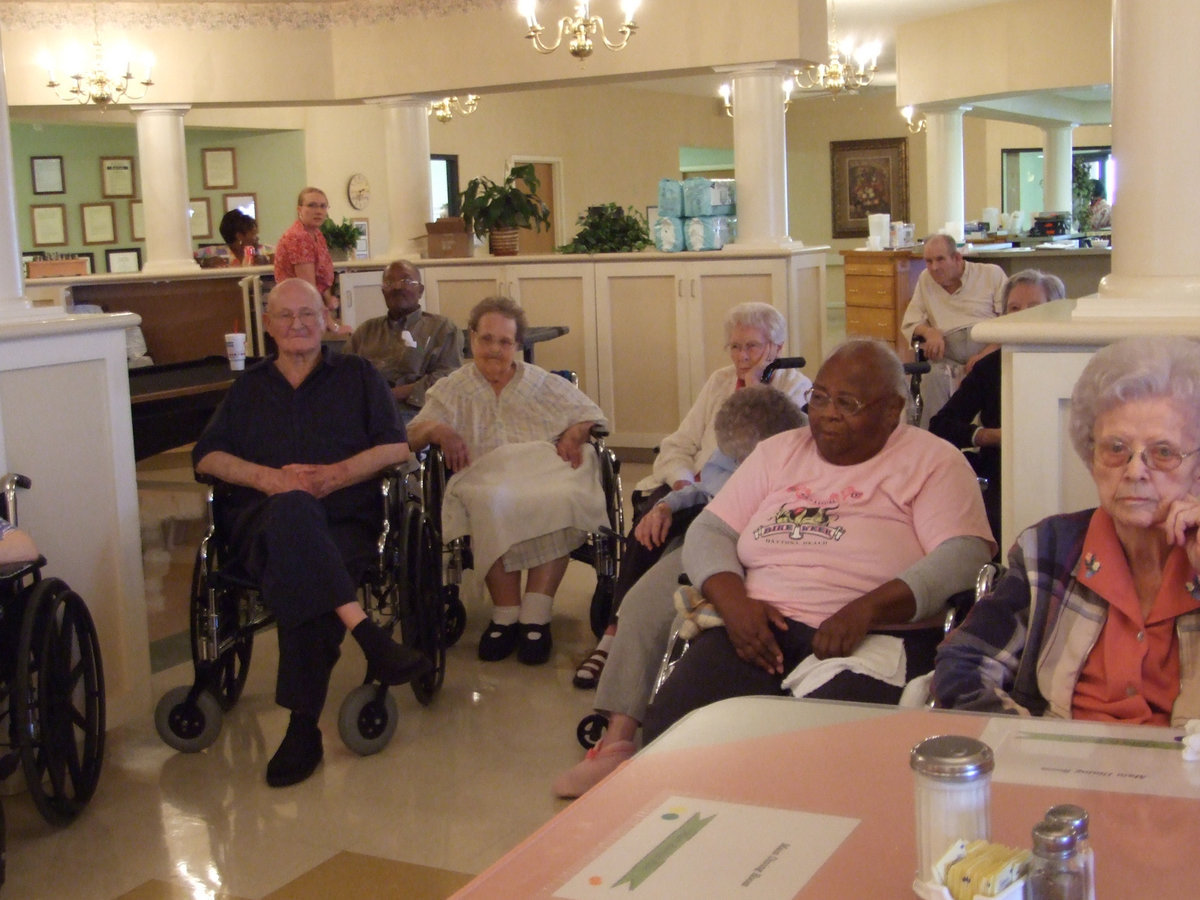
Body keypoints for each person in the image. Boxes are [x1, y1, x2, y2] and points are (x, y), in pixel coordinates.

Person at [640, 339, 996, 744]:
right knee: (673, 732)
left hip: (875, 636)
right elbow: (711, 530)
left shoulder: (933, 460)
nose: (827, 414)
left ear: (893, 411)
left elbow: (964, 553)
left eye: (847, 404)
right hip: (757, 626)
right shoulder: (779, 452)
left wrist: (866, 610)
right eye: (820, 398)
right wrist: (734, 603)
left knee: (817, 748)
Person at [192, 278, 431, 788]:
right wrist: (272, 481)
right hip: (262, 526)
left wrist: (334, 475)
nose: (298, 324)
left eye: (308, 314)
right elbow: (207, 456)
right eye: (285, 316)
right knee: (295, 516)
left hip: (345, 521)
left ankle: (304, 730)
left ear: (327, 320)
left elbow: (397, 448)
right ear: (267, 325)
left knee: (307, 567)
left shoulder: (358, 375)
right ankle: (364, 633)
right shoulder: (250, 387)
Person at [553, 385, 806, 798]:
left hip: (769, 553)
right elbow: (703, 488)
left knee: (684, 621)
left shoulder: (798, 453)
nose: (737, 464)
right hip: (710, 539)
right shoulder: (731, 445)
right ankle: (617, 739)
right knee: (639, 607)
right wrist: (667, 505)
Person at [932, 336, 1200, 725]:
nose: (1135, 470)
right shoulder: (1050, 548)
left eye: (1163, 452)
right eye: (1116, 448)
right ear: (1091, 455)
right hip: (1063, 770)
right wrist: (1028, 752)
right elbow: (964, 661)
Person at [573, 301, 812, 689]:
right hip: (697, 486)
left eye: (752, 346)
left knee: (679, 523)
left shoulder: (796, 390)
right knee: (651, 518)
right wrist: (682, 483)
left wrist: (756, 393)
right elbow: (679, 443)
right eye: (735, 347)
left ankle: (638, 633)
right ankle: (615, 633)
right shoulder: (718, 382)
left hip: (740, 497)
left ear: (777, 347)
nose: (742, 356)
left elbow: (780, 457)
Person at [407, 296, 608, 666]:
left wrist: (576, 432)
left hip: (541, 469)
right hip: (484, 474)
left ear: (517, 345)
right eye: (486, 339)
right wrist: (438, 429)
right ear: (472, 338)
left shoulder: (542, 383)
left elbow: (592, 415)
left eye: (504, 342)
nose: (494, 349)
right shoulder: (453, 387)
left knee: (561, 496)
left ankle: (536, 614)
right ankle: (505, 613)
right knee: (492, 501)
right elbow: (412, 434)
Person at [929, 269, 1066, 539]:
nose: (1022, 316)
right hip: (1001, 472)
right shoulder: (990, 367)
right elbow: (940, 425)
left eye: (1033, 308)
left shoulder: (1067, 367)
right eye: (1014, 308)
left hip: (1058, 468)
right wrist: (989, 436)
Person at [901, 234, 1007, 426]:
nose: (934, 267)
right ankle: (934, 440)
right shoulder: (925, 280)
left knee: (991, 378)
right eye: (929, 261)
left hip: (989, 354)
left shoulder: (991, 274)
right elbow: (911, 321)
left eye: (940, 259)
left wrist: (986, 354)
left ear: (957, 258)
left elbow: (1009, 321)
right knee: (931, 378)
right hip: (947, 359)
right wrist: (930, 332)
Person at [345, 261, 462, 424]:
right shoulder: (366, 331)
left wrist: (391, 394)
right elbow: (344, 375)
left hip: (418, 415)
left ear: (420, 290)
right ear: (383, 292)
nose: (397, 287)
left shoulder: (441, 328)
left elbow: (448, 379)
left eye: (406, 281)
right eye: (389, 282)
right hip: (365, 413)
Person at [274, 187, 350, 333]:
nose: (318, 211)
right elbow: (308, 289)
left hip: (311, 306)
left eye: (323, 206)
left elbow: (320, 277)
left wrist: (328, 299)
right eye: (312, 205)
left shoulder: (317, 234)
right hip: (295, 309)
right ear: (299, 209)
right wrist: (332, 325)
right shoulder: (298, 237)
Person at [195, 209, 270, 269]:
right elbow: (189, 260)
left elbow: (279, 257)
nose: (257, 238)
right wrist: (204, 263)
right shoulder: (216, 252)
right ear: (239, 236)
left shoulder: (263, 251)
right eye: (253, 234)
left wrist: (268, 262)